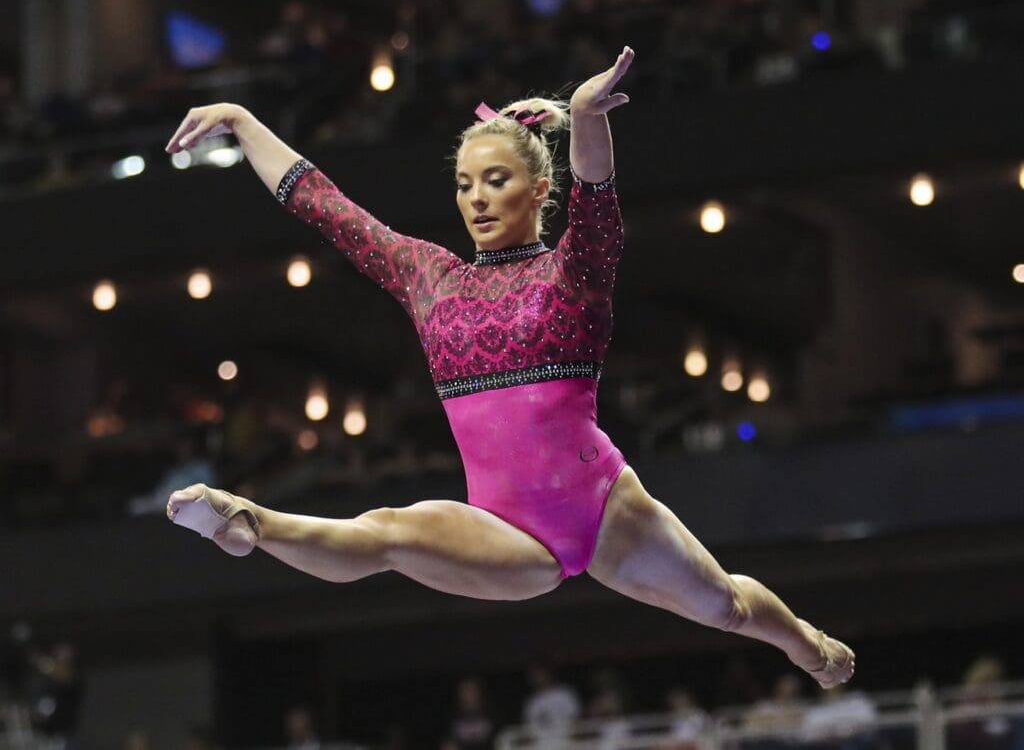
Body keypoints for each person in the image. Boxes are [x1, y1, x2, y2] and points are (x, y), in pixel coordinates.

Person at [164, 46, 853, 690]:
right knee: (388, 533)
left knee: (726, 605)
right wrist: (241, 119)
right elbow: (330, 210)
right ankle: (247, 520)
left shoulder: (571, 276)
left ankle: (805, 643)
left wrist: (585, 119)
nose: (478, 198)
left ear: (538, 187)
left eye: (497, 181)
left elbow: (598, 208)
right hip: (504, 529)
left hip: (603, 506)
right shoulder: (430, 277)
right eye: (466, 185)